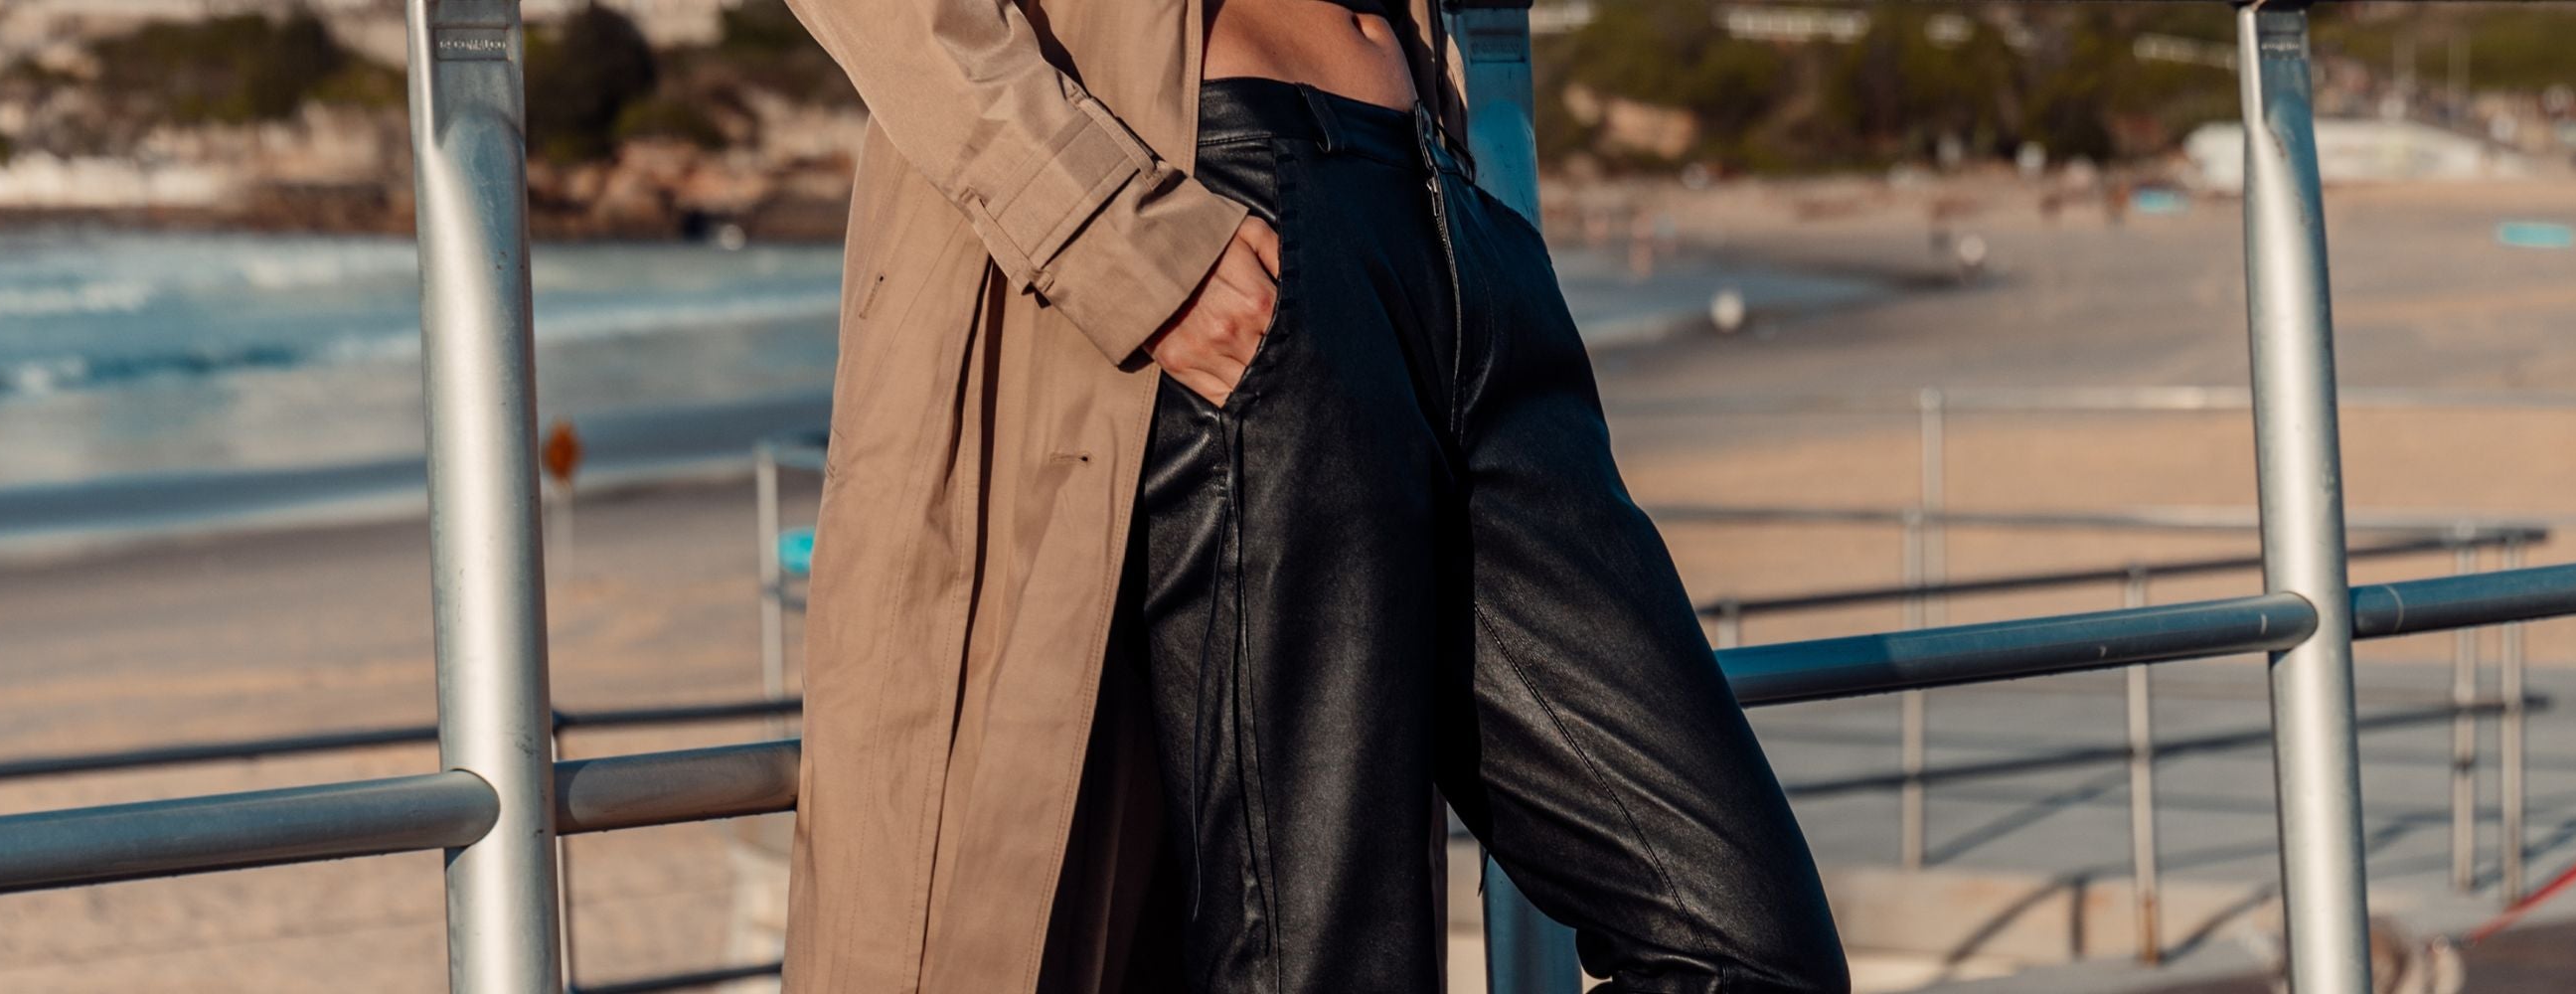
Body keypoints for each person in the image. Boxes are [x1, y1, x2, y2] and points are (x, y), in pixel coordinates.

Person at [775, 0, 1849, 990]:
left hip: (1447, 208)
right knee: (1331, 962)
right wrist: (1108, 225)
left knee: (1746, 948)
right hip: (1223, 203)